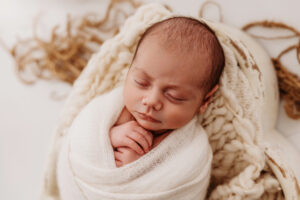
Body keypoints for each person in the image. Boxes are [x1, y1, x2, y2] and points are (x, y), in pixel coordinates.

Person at [109, 16, 225, 167]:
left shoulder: (191, 149)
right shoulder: (112, 111)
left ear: (205, 101)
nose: (151, 101)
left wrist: (138, 168)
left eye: (174, 96)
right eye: (141, 82)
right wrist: (111, 136)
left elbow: (177, 183)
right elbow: (81, 138)